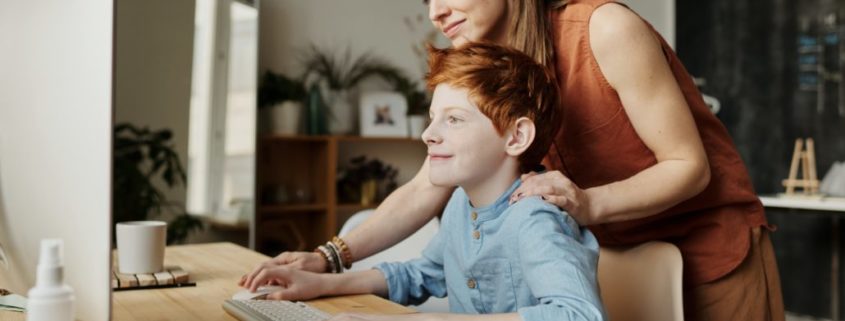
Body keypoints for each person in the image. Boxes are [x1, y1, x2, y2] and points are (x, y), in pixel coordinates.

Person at [243, 1, 784, 320]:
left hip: (711, 256)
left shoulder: (605, 28)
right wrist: (328, 258)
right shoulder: (483, 64)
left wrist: (587, 202)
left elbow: (690, 166)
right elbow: (426, 186)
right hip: (607, 259)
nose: (435, 11)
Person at [242, 42, 606, 321]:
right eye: (433, 118)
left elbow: (579, 314)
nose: (428, 135)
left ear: (515, 137)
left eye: (454, 119)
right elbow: (424, 274)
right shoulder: (462, 205)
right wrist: (321, 284)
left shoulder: (535, 220)